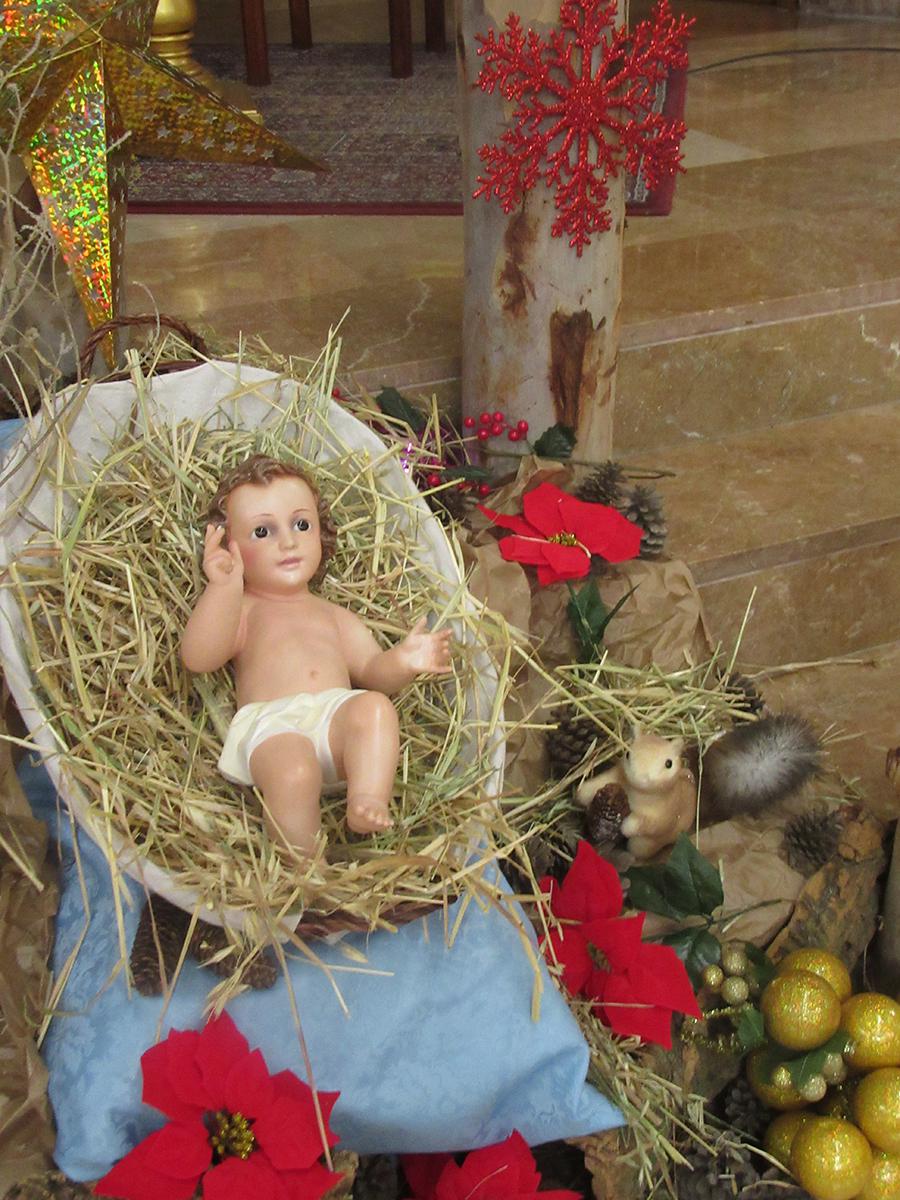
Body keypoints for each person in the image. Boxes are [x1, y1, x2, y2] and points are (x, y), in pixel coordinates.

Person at [181, 453, 452, 854]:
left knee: (375, 708)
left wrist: (404, 660)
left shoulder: (333, 616)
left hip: (333, 723)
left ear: (320, 531)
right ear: (228, 545)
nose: (288, 541)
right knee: (294, 769)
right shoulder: (243, 611)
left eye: (301, 524)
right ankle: (303, 867)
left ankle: (368, 799)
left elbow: (372, 672)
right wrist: (222, 587)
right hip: (274, 729)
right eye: (262, 532)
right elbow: (198, 658)